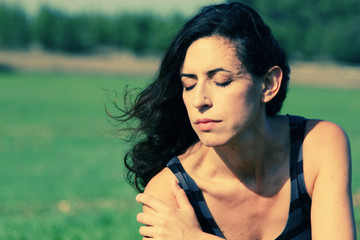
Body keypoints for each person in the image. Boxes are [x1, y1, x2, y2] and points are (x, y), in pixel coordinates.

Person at [115, 2, 356, 239]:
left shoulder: (318, 145)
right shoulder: (170, 193)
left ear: (268, 84)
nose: (199, 100)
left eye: (221, 81)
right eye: (189, 85)